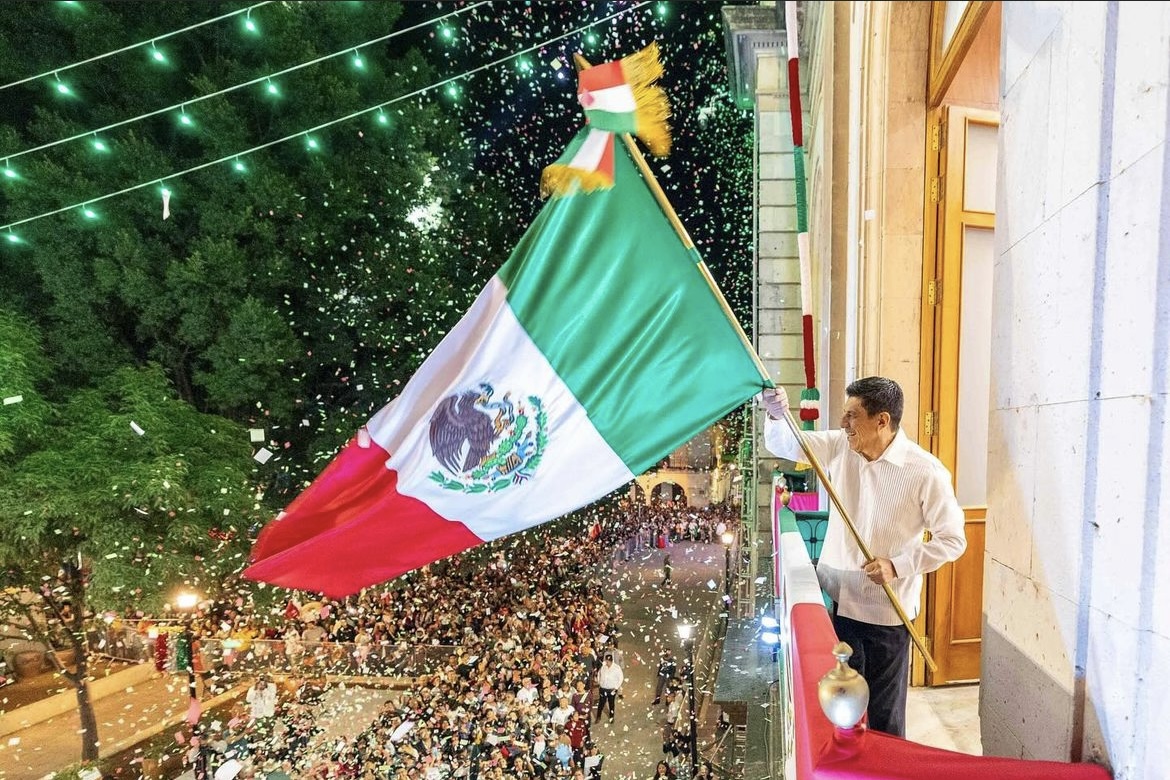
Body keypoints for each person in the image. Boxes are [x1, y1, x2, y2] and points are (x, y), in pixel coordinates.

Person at [760, 377, 966, 737]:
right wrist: (777, 414)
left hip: (887, 612)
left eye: (852, 416)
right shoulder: (841, 446)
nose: (843, 424)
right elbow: (789, 444)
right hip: (836, 603)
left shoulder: (926, 471)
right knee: (842, 714)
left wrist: (897, 565)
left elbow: (953, 540)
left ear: (882, 420)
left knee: (885, 719)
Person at [594, 653, 624, 723]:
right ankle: (598, 716)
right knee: (601, 703)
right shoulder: (603, 667)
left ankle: (611, 716)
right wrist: (599, 682)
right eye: (606, 661)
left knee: (611, 703)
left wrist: (616, 687)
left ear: (611, 661)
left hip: (612, 689)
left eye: (607, 661)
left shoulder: (617, 668)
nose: (606, 662)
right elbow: (599, 674)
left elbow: (621, 678)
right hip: (603, 688)